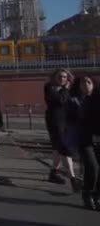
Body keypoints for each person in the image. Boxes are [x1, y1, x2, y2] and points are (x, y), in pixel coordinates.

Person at [44, 68, 82, 192]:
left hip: (67, 123)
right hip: (55, 123)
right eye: (60, 76)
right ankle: (73, 179)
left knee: (58, 149)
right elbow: (60, 100)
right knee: (65, 150)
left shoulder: (70, 89)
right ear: (54, 77)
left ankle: (53, 173)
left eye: (65, 77)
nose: (62, 79)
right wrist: (66, 89)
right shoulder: (49, 88)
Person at [67, 75, 99, 209]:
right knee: (92, 167)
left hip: (98, 137)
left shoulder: (98, 98)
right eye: (83, 82)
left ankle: (97, 196)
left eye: (89, 82)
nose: (86, 85)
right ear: (78, 86)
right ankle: (87, 194)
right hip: (84, 139)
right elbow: (69, 121)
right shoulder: (74, 101)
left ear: (93, 84)